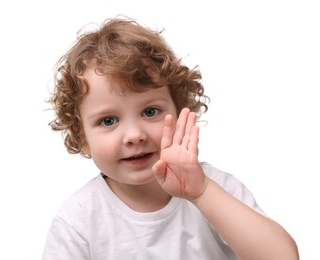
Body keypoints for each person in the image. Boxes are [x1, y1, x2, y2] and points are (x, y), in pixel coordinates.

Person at [42, 16, 299, 260]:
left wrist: (202, 193)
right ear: (82, 136)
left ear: (179, 111)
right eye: (108, 120)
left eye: (150, 111)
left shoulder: (214, 188)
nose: (134, 135)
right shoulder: (77, 220)